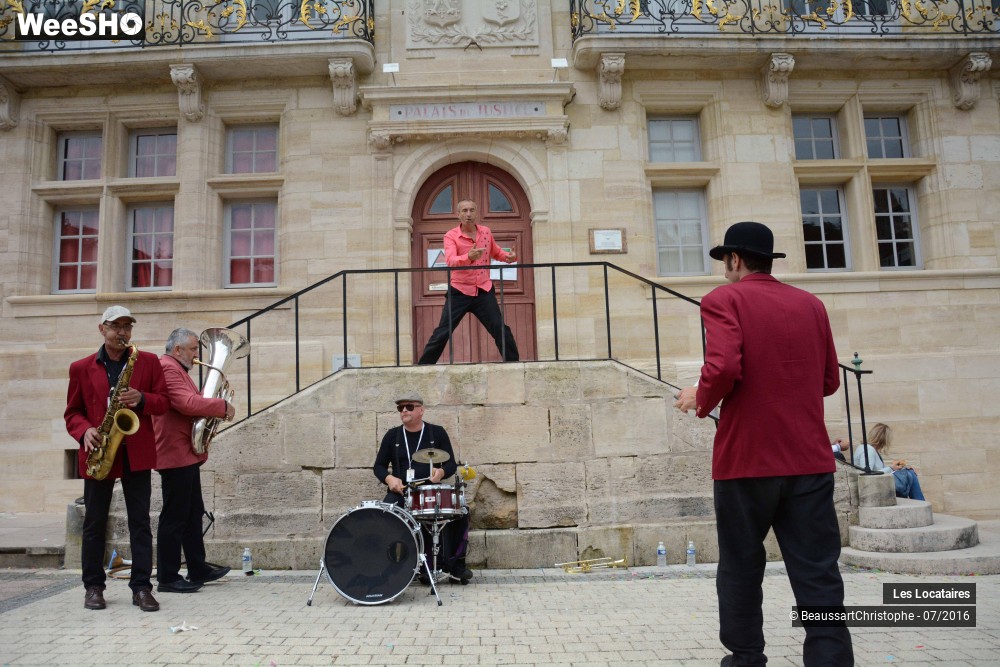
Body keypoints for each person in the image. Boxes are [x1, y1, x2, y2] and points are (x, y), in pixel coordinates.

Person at [673, 222, 853, 666]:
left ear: (735, 260)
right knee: (817, 572)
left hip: (745, 461)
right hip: (809, 460)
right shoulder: (811, 304)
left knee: (741, 568)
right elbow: (830, 380)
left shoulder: (724, 298)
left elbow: (724, 364)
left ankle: (746, 658)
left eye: (725, 262)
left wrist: (700, 395)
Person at [65, 305, 170, 612]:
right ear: (102, 329)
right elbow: (73, 413)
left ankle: (141, 588)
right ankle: (94, 587)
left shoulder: (147, 361)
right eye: (115, 326)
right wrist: (84, 431)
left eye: (127, 326)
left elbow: (163, 403)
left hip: (136, 452)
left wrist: (143, 399)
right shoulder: (81, 367)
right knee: (94, 523)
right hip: (99, 453)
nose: (122, 332)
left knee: (140, 523)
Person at [152, 328, 235, 594]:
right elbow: (187, 403)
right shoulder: (167, 368)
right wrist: (221, 407)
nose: (197, 355)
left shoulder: (176, 369)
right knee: (175, 517)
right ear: (177, 350)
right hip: (174, 453)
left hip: (184, 451)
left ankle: (197, 566)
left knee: (192, 512)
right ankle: (167, 576)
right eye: (192, 349)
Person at [373, 394, 473, 583]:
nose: (404, 410)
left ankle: (456, 566)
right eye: (400, 408)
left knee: (461, 512)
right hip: (402, 491)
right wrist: (389, 478)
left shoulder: (436, 433)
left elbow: (451, 463)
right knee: (386, 515)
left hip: (430, 490)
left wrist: (441, 473)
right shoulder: (392, 435)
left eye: (409, 407)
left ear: (421, 410)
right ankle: (398, 568)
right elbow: (378, 466)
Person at [417, 199, 519, 364]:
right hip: (460, 291)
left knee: (500, 328)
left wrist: (509, 258)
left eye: (472, 210)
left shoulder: (486, 232)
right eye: (464, 211)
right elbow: (450, 261)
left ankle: (514, 364)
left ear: (477, 213)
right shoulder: (451, 236)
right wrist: (468, 257)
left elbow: (496, 252)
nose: (468, 214)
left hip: (483, 290)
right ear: (458, 215)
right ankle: (423, 367)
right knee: (443, 331)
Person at [853, 422, 925, 500]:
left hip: (879, 483)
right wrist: (891, 468)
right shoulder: (868, 450)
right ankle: (920, 501)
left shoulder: (870, 449)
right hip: (873, 486)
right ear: (884, 439)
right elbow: (867, 474)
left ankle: (920, 501)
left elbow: (876, 471)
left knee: (909, 471)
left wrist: (896, 468)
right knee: (910, 474)